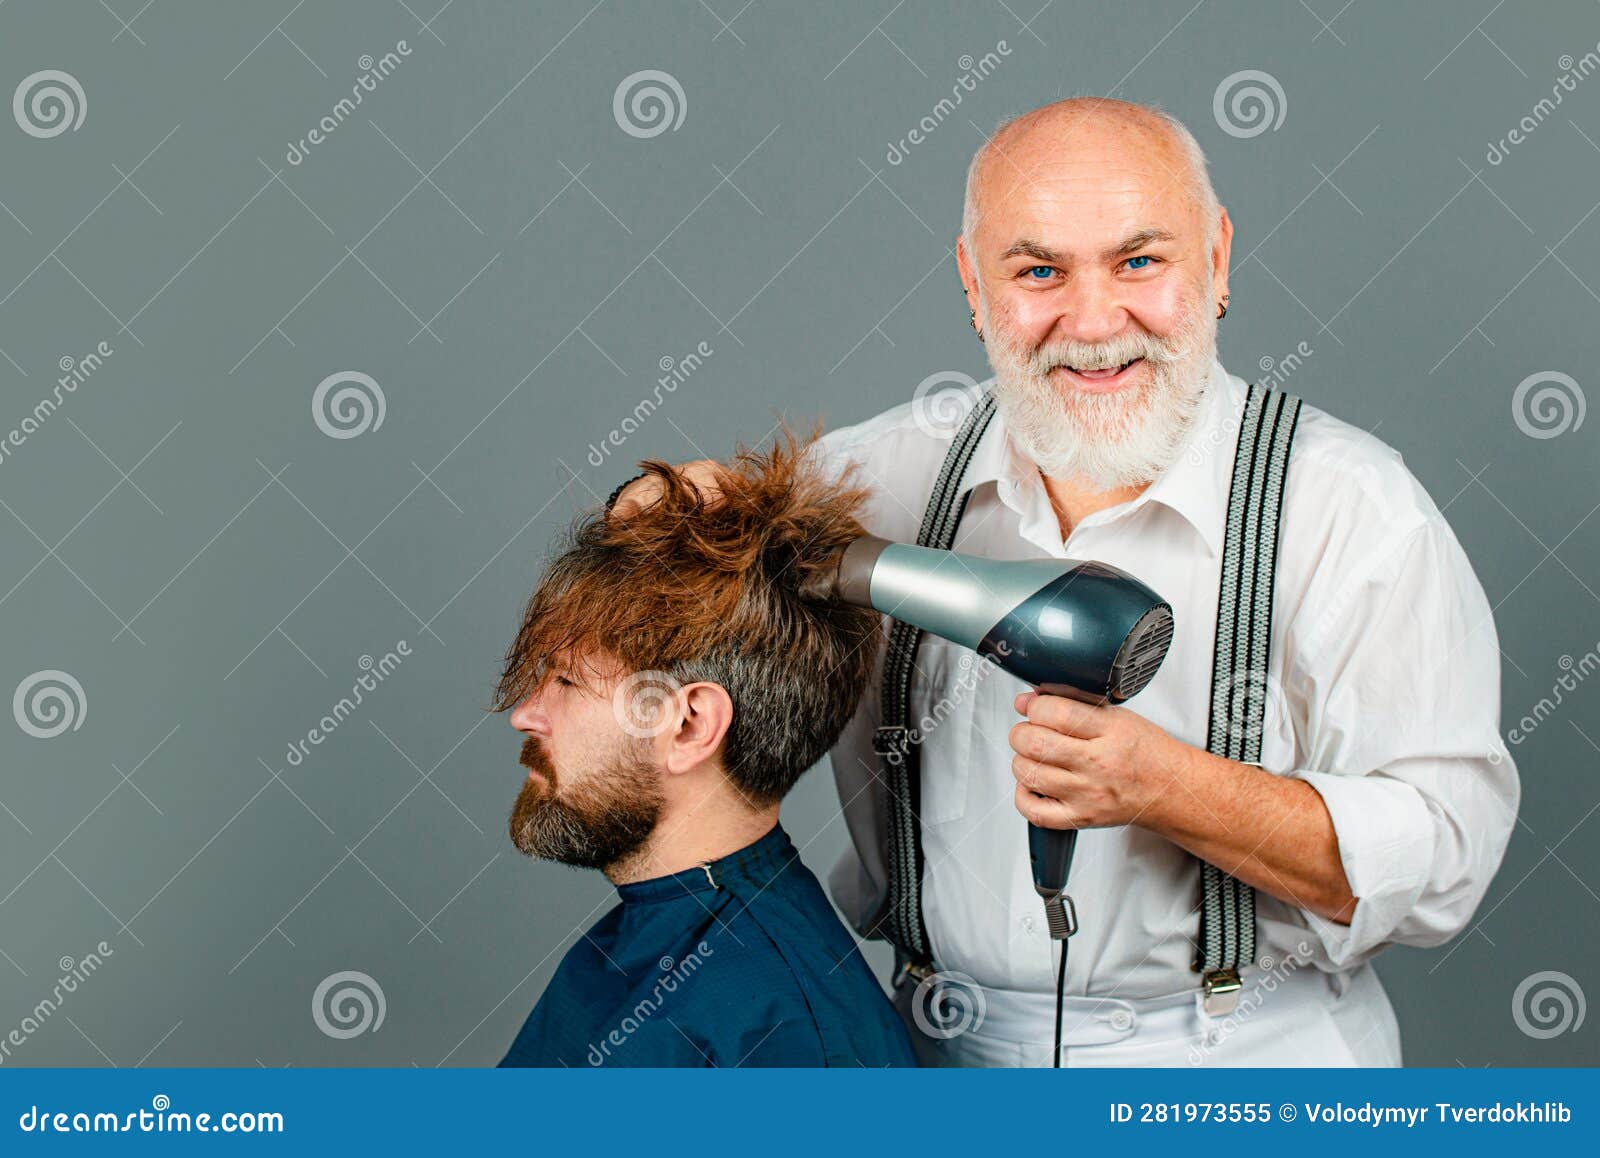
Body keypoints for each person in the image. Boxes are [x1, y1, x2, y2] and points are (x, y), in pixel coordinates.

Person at [610, 97, 1519, 1066]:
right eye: (1038, 270)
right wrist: (664, 511)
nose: (1091, 321)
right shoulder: (876, 483)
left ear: (1215, 260)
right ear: (973, 283)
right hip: (932, 1053)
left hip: (1240, 1056)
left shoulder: (1350, 508)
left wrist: (1171, 788)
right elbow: (666, 591)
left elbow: (1441, 864)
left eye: (1138, 261)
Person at [490, 430, 917, 1068]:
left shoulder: (780, 1037)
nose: (525, 714)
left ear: (690, 725)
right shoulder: (659, 931)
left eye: (568, 682)